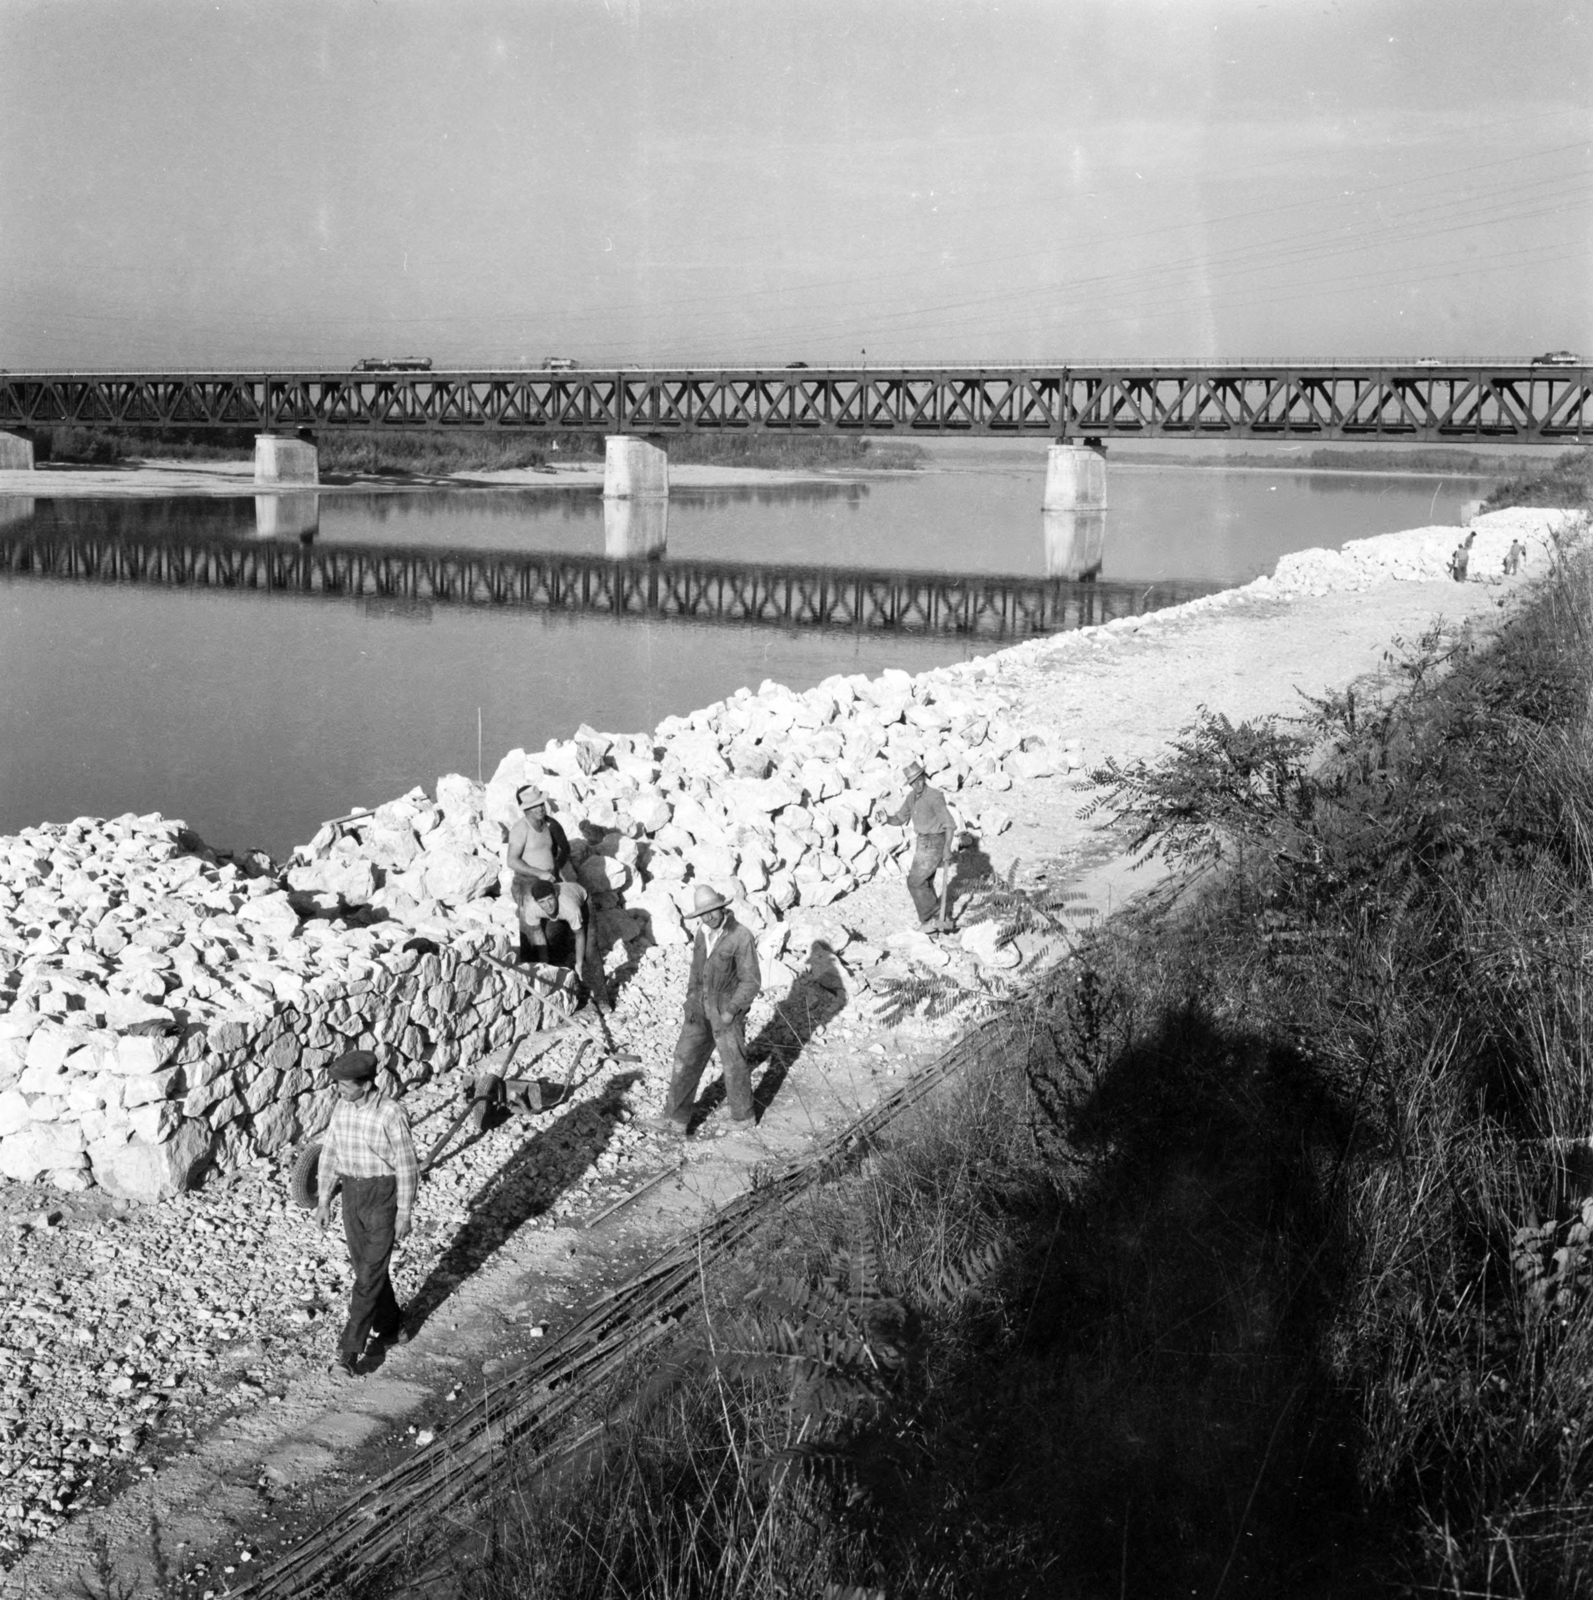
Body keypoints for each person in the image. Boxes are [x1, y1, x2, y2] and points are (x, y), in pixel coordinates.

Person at [315, 1049, 419, 1380]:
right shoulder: (341, 1109)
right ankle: (391, 1327)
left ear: (364, 1084)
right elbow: (330, 1152)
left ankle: (348, 1352)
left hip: (383, 1197)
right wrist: (323, 1200)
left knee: (368, 1276)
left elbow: (406, 1164)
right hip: (352, 1196)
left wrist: (405, 1211)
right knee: (367, 1269)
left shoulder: (391, 1113)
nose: (340, 1091)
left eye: (345, 1086)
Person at [654, 885, 762, 1136]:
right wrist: (690, 1002)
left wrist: (731, 1010)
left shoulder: (740, 935)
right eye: (704, 913)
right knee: (685, 1057)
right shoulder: (702, 934)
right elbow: (696, 971)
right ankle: (676, 1119)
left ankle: (743, 1116)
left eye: (713, 910)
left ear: (722, 907)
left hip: (726, 1007)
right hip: (698, 1008)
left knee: (733, 1062)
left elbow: (751, 981)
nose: (709, 916)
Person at [881, 761, 957, 931]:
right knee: (926, 882)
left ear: (924, 777)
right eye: (913, 782)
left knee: (914, 882)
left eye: (919, 780)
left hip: (935, 841)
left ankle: (931, 919)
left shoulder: (934, 796)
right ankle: (939, 919)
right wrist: (887, 819)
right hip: (922, 842)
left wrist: (947, 847)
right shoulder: (911, 798)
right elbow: (900, 818)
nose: (917, 785)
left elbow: (949, 824)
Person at [505, 785, 576, 956]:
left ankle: (559, 967)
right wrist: (539, 873)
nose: (540, 808)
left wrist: (556, 869)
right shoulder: (520, 829)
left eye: (541, 804)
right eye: (534, 806)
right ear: (525, 809)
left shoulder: (550, 824)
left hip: (550, 878)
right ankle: (536, 967)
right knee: (533, 926)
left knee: (557, 922)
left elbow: (565, 848)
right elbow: (512, 861)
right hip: (527, 879)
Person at [519, 875, 590, 991]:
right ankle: (560, 968)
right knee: (551, 938)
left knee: (590, 949)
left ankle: (601, 997)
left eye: (550, 899)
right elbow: (538, 933)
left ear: (556, 895)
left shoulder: (571, 909)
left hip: (582, 898)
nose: (548, 905)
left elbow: (580, 935)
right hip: (561, 911)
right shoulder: (532, 908)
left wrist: (579, 964)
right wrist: (544, 963)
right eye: (542, 902)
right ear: (536, 902)